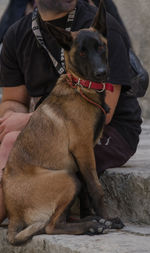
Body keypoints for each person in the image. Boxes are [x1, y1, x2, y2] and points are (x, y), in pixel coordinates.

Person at [0, 0, 143, 223]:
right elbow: (13, 101)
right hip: (52, 128)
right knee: (9, 140)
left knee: (18, 147)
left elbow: (103, 112)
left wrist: (29, 122)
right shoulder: (16, 34)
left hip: (108, 131)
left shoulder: (100, 29)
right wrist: (10, 118)